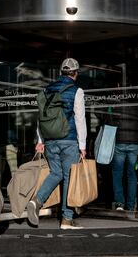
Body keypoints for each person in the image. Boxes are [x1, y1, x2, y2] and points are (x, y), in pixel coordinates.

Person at [27, 58, 87, 230]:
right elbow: (80, 119)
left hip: (50, 140)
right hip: (69, 140)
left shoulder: (46, 90)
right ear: (75, 73)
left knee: (56, 173)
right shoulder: (77, 90)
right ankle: (67, 219)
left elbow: (41, 116)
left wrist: (40, 141)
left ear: (61, 72)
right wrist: (82, 145)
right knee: (69, 177)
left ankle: (37, 201)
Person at [107, 103, 138, 211]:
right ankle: (130, 206)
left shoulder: (117, 104)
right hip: (135, 142)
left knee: (117, 174)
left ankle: (120, 203)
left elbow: (109, 121)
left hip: (119, 141)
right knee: (132, 175)